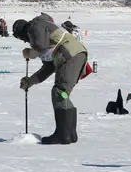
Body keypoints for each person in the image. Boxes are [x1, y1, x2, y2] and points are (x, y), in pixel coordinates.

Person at [13, 13, 88, 144]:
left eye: (23, 39)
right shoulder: (43, 30)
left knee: (59, 92)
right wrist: (30, 81)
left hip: (69, 55)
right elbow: (48, 68)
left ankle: (62, 134)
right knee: (63, 93)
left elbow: (40, 47)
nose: (27, 41)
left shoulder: (35, 26)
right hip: (75, 54)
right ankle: (70, 134)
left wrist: (31, 53)